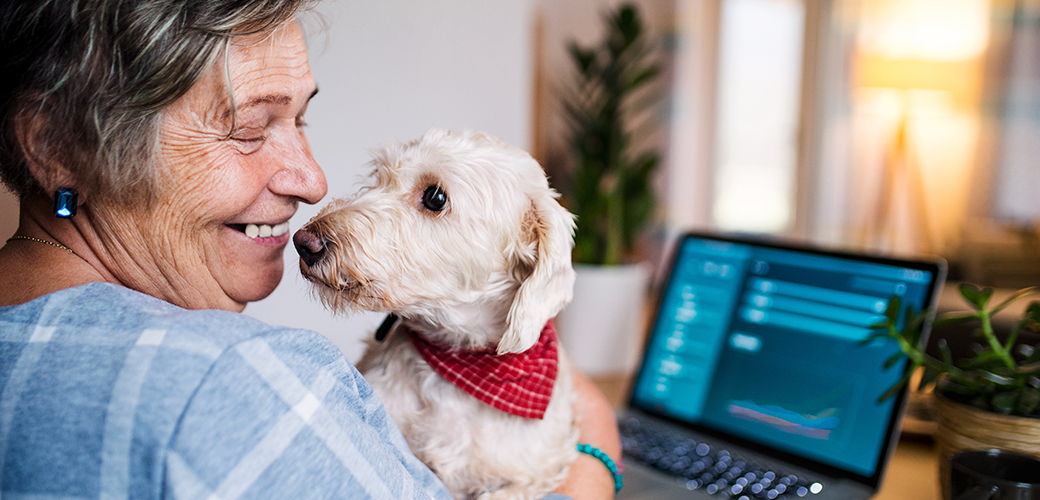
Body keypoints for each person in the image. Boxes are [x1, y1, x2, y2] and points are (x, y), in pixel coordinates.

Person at [0, 1, 621, 499]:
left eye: (299, 120)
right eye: (248, 128)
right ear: (54, 144)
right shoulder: (235, 384)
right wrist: (597, 450)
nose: (315, 182)